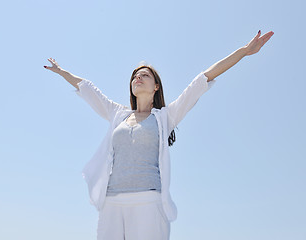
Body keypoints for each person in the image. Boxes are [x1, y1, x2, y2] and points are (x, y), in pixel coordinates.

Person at [44, 30, 274, 240]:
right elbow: (88, 88)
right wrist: (61, 71)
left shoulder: (166, 117)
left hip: (148, 201)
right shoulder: (117, 114)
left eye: (144, 75)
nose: (138, 78)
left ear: (156, 87)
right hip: (111, 203)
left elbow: (203, 79)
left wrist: (244, 52)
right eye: (135, 76)